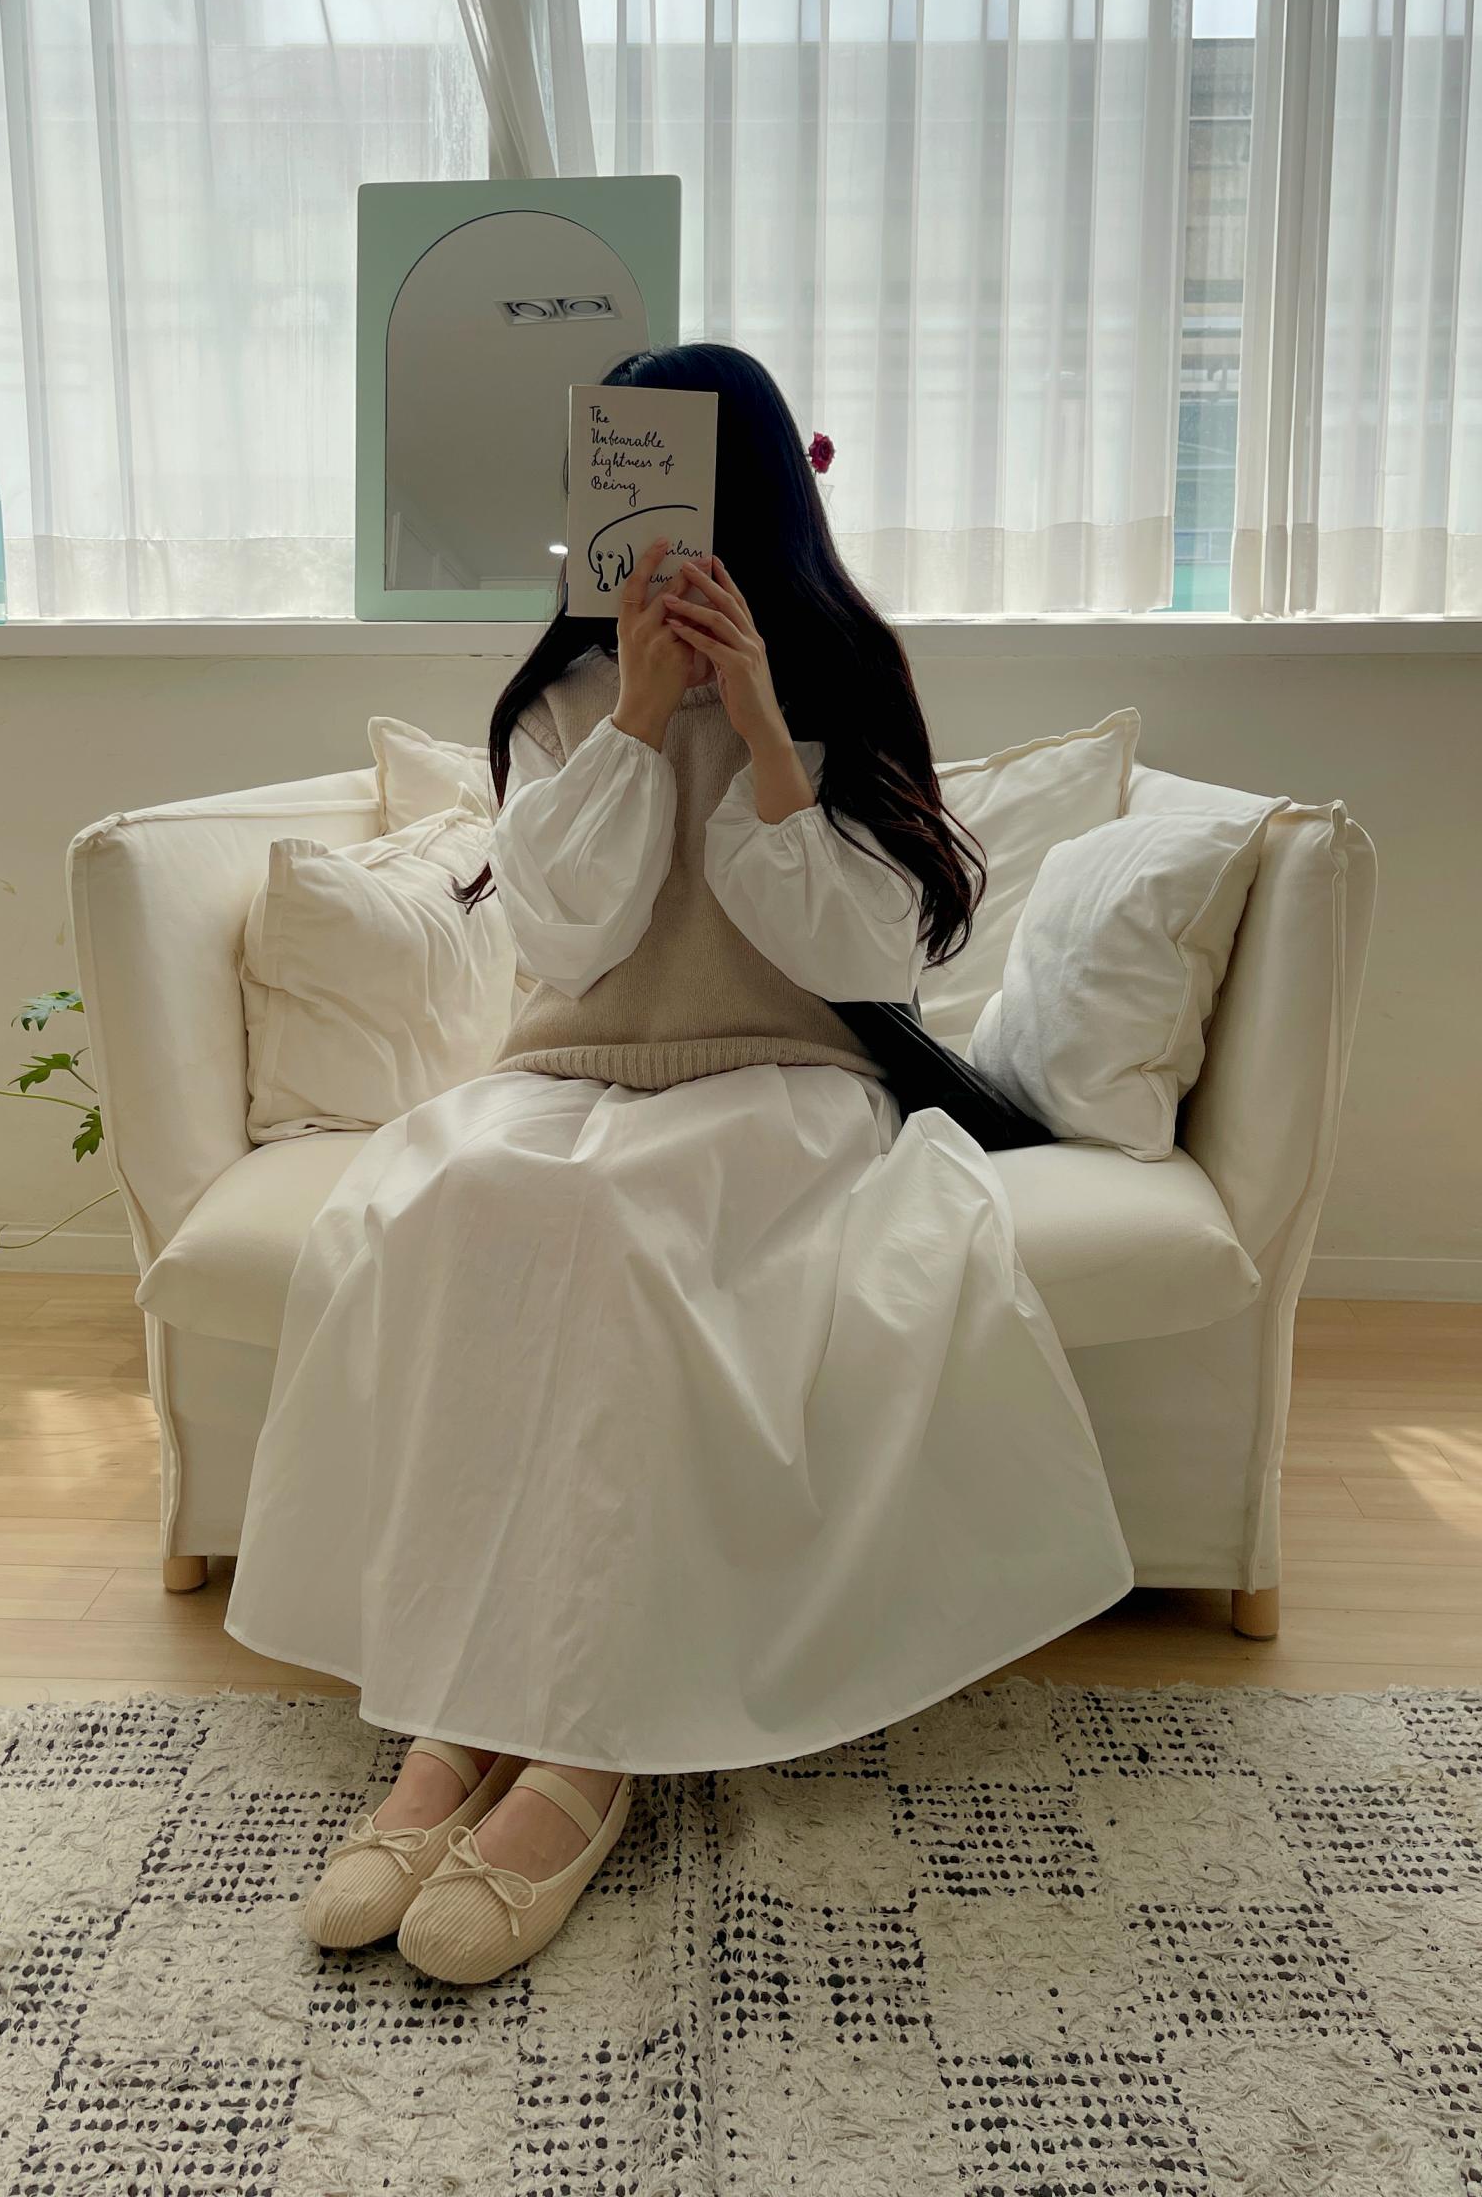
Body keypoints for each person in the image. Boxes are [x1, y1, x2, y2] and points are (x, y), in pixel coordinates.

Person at [225, 342, 1132, 1985]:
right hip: (572, 1067)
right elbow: (568, 939)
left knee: (620, 1217)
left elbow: (861, 959)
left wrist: (766, 726)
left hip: (782, 1076)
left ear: (751, 492)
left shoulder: (843, 671)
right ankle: (453, 1722)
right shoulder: (562, 698)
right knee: (472, 1194)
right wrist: (638, 717)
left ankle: (582, 1748)